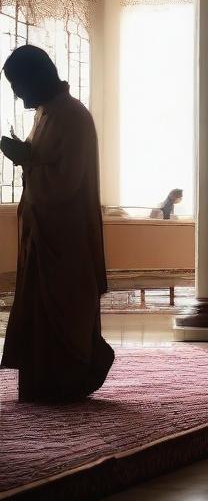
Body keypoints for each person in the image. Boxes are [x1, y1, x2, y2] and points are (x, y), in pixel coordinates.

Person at [0, 45, 114, 402]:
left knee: (66, 312)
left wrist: (27, 162)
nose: (19, 97)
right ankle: (43, 383)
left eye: (20, 87)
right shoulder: (46, 112)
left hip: (67, 239)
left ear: (37, 78)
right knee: (40, 312)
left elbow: (66, 182)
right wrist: (27, 158)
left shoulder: (74, 117)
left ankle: (69, 380)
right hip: (41, 235)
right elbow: (42, 163)